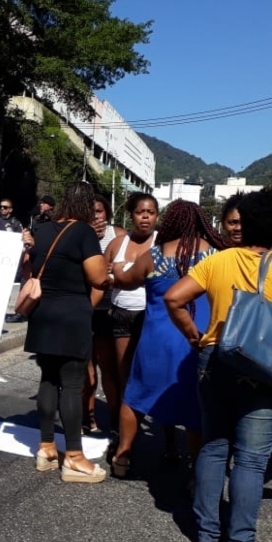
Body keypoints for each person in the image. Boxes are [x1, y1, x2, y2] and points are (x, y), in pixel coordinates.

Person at [164, 188, 272, 542]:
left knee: (212, 447)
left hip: (214, 357)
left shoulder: (217, 260)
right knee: (251, 461)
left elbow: (174, 298)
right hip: (260, 366)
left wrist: (194, 336)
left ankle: (206, 534)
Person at [109, 199, 227, 480]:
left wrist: (115, 270)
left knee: (136, 396)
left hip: (155, 341)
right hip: (196, 340)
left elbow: (126, 280)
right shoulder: (214, 256)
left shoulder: (155, 254)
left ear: (169, 222)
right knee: (197, 407)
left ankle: (122, 456)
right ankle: (197, 473)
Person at [25, 181, 109, 483]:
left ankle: (46, 447)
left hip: (43, 313)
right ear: (87, 206)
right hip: (72, 315)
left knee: (48, 378)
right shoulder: (84, 232)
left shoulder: (44, 229)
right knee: (72, 385)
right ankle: (74, 456)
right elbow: (98, 278)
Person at [101, 192, 158, 464]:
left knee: (153, 377)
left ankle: (164, 437)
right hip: (121, 315)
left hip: (152, 317)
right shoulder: (117, 243)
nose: (145, 217)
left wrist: (122, 274)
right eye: (140, 212)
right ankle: (122, 434)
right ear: (131, 215)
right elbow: (101, 277)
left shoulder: (164, 244)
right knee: (124, 377)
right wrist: (113, 276)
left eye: (150, 212)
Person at [82, 194, 121, 436]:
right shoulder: (80, 234)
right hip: (85, 308)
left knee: (109, 368)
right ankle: (89, 416)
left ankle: (116, 419)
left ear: (107, 213)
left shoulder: (119, 235)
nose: (96, 216)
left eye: (100, 211)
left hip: (109, 309)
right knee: (87, 371)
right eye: (91, 211)